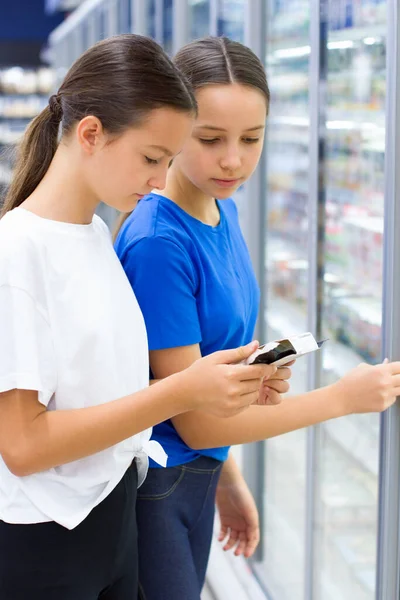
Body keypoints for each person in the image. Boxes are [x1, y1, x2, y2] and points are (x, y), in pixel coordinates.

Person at [114, 36, 400, 600]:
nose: (233, 159)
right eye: (210, 138)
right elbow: (193, 419)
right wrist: (339, 399)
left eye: (251, 139)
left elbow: (212, 376)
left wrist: (226, 477)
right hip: (157, 488)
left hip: (194, 479)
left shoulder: (223, 210)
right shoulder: (158, 244)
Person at [0, 34, 279, 600]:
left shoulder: (97, 233)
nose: (159, 181)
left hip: (112, 513)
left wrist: (225, 383)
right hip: (47, 539)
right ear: (91, 133)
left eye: (169, 162)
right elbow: (22, 445)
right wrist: (182, 394)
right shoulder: (18, 254)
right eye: (152, 158)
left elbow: (102, 391)